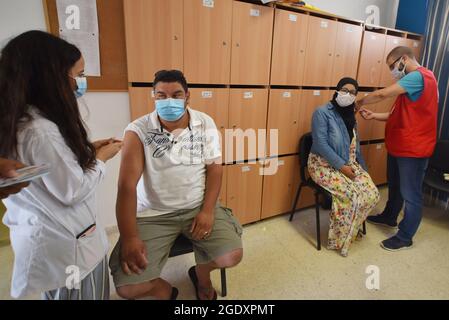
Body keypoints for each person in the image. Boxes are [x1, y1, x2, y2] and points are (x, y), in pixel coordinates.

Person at [0, 31, 122, 299]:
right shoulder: (40, 130)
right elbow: (72, 190)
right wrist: (101, 159)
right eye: (78, 74)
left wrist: (89, 150)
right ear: (52, 78)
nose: (81, 81)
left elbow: (54, 168)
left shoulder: (21, 121)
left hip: (58, 240)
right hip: (69, 247)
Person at [109, 70, 243, 300]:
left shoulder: (204, 122)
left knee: (231, 256)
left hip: (196, 205)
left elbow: (215, 168)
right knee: (128, 288)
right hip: (154, 214)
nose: (168, 101)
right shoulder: (137, 131)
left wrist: (208, 210)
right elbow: (126, 186)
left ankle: (201, 276)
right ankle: (166, 291)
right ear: (153, 96)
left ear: (188, 96)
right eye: (161, 95)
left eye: (176, 94)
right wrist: (130, 237)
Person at [357, 46, 438, 251]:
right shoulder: (410, 85)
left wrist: (359, 102)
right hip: (400, 146)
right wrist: (374, 116)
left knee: (411, 194)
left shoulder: (420, 76)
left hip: (413, 149)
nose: (393, 71)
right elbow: (396, 114)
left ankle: (405, 236)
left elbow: (383, 94)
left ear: (404, 59)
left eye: (393, 66)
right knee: (395, 185)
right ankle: (389, 216)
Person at [308, 77, 380, 257]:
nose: (348, 94)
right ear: (337, 90)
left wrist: (364, 172)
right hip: (322, 165)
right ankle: (339, 240)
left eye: (353, 92)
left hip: (348, 163)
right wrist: (342, 167)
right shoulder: (322, 112)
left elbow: (356, 148)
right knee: (353, 196)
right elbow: (321, 143)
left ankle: (351, 229)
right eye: (345, 90)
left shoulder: (351, 118)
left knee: (371, 193)